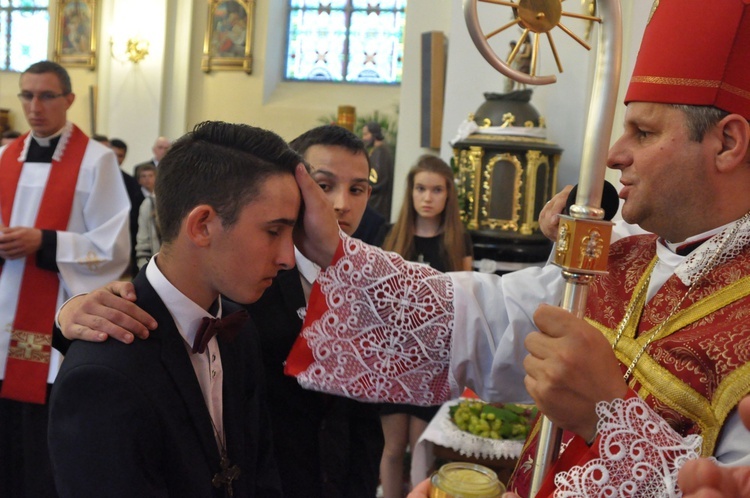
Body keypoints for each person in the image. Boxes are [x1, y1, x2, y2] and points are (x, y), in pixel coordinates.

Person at [58, 1, 750, 495]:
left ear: (726, 143)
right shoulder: (622, 259)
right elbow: (478, 321)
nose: (616, 153)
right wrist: (339, 256)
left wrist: (610, 419)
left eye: (644, 130)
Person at [55, 124, 385, 498]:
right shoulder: (105, 371)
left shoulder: (237, 329)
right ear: (202, 226)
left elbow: (259, 471)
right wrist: (66, 310)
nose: (286, 257)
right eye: (273, 231)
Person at [0, 60, 130, 497]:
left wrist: (46, 241)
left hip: (55, 315)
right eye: (26, 95)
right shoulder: (3, 156)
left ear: (69, 100)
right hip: (3, 316)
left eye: (46, 95)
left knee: (42, 442)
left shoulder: (96, 162)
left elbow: (113, 246)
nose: (34, 106)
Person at [378, 154, 473, 498]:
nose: (428, 197)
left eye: (436, 189)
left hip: (434, 358)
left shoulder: (458, 242)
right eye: (421, 188)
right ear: (410, 192)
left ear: (448, 195)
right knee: (392, 447)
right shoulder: (391, 237)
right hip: (395, 357)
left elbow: (468, 301)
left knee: (421, 445)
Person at [111, 137, 146, 276]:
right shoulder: (92, 176)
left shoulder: (130, 182)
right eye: (113, 154)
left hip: (123, 235)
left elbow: (136, 211)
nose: (116, 159)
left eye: (120, 155)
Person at [362, 121, 394, 221]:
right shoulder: (378, 151)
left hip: (377, 206)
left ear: (374, 134)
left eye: (366, 134)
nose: (364, 138)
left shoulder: (380, 153)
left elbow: (376, 181)